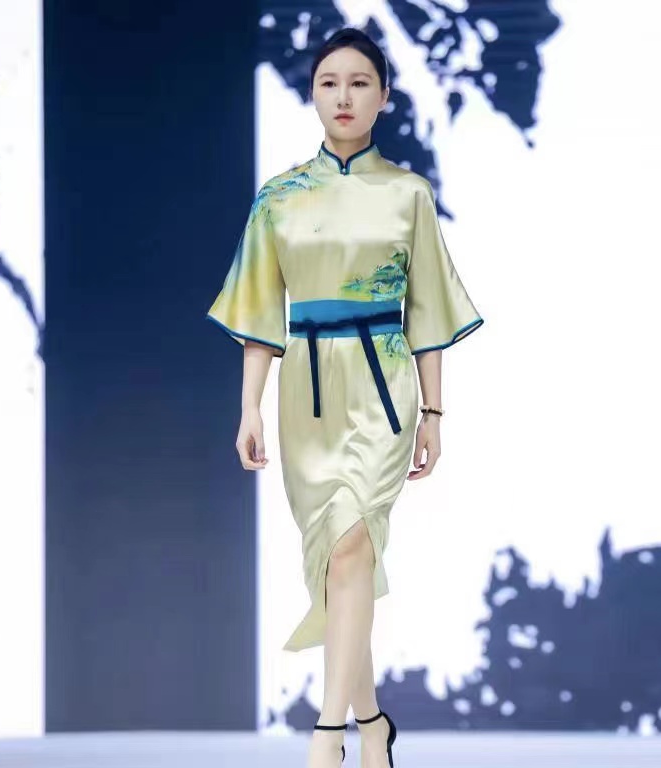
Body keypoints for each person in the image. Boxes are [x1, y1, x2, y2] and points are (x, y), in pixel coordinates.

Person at [207, 26, 482, 768]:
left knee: (355, 539)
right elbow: (259, 310)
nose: (344, 96)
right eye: (329, 82)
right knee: (336, 560)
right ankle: (373, 724)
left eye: (360, 82)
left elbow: (429, 310)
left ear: (384, 96)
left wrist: (434, 414)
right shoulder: (279, 197)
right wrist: (249, 407)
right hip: (306, 390)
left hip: (383, 384)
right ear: (311, 95)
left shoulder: (409, 194)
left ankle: (327, 738)